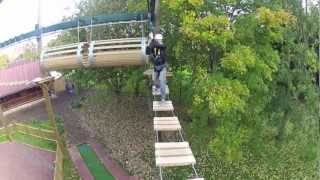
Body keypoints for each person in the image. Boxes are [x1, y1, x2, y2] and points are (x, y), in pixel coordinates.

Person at [148, 33, 167, 102]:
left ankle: (163, 98)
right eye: (157, 40)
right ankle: (157, 87)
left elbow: (158, 45)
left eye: (159, 40)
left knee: (162, 82)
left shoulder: (163, 46)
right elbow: (148, 50)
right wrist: (150, 41)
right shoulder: (154, 48)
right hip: (156, 67)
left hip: (162, 67)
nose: (159, 41)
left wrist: (152, 39)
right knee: (155, 80)